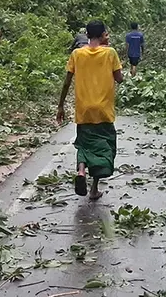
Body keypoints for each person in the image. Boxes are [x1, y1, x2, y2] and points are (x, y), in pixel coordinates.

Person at [57, 20, 123, 200]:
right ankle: (94, 189)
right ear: (103, 36)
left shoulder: (77, 54)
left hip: (83, 109)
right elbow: (119, 78)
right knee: (105, 146)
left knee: (84, 143)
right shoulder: (110, 53)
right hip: (103, 110)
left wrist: (61, 105)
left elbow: (66, 82)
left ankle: (80, 171)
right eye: (106, 34)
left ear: (87, 35)